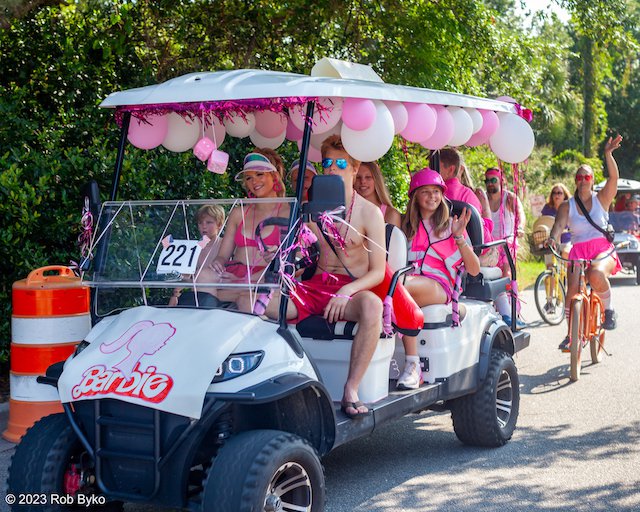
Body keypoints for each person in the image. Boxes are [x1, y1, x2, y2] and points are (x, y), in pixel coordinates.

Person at [265, 135, 386, 419]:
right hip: (314, 288)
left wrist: (347, 292)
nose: (333, 168)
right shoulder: (311, 207)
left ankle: (351, 388)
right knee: (259, 303)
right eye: (328, 163)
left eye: (341, 163)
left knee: (373, 306)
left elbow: (378, 272)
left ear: (355, 168)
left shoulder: (370, 213)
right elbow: (302, 255)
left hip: (350, 290)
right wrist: (284, 257)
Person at [399, 168, 480, 389]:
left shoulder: (450, 227)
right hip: (409, 284)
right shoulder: (406, 229)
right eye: (426, 192)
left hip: (439, 287)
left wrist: (459, 237)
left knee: (400, 287)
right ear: (416, 196)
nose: (432, 196)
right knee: (396, 291)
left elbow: (473, 269)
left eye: (436, 191)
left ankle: (414, 366)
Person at [548, 135, 623, 351]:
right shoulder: (567, 205)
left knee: (595, 275)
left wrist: (608, 154)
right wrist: (553, 238)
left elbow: (613, 178)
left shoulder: (602, 198)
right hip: (578, 251)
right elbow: (559, 226)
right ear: (575, 181)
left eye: (586, 177)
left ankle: (608, 310)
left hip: (602, 249)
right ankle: (571, 334)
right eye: (579, 177)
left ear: (592, 179)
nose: (582, 180)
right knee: (572, 290)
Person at [209, 148, 290, 312]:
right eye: (249, 178)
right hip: (235, 275)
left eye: (260, 174)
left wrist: (243, 281)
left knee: (243, 295)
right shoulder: (239, 213)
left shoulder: (288, 212)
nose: (254, 181)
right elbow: (223, 255)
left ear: (274, 176)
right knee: (203, 277)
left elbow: (288, 264)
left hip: (265, 278)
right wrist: (218, 263)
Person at [435, 149, 495, 261]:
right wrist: (486, 210)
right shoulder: (469, 195)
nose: (432, 171)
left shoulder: (434, 195)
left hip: (451, 250)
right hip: (478, 251)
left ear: (451, 169)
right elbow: (483, 230)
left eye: (436, 167)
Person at [485, 166, 526, 326]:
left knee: (507, 274)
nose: (490, 184)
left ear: (501, 181)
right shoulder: (485, 200)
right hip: (491, 244)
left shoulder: (509, 198)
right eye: (487, 181)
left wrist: (520, 227)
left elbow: (520, 214)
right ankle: (502, 311)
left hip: (507, 242)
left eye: (493, 180)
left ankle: (513, 312)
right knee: (494, 277)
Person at [169, 204, 225, 306]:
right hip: (197, 294)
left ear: (219, 224)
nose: (204, 226)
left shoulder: (225, 245)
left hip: (219, 295)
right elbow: (187, 276)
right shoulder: (195, 246)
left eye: (209, 222)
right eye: (200, 223)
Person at [355, 161, 402, 227]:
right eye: (358, 177)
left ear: (376, 180)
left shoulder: (390, 214)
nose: (363, 181)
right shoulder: (346, 212)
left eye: (368, 177)